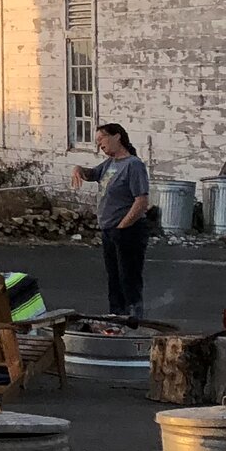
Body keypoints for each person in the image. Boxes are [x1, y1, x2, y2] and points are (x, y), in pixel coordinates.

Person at [72, 123, 152, 319]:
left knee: (128, 276)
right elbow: (91, 174)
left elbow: (141, 201)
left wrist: (122, 226)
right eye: (97, 142)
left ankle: (133, 316)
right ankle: (116, 316)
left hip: (128, 230)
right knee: (113, 277)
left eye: (102, 139)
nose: (100, 145)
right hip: (109, 230)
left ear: (117, 137)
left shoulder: (133, 165)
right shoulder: (109, 164)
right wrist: (77, 168)